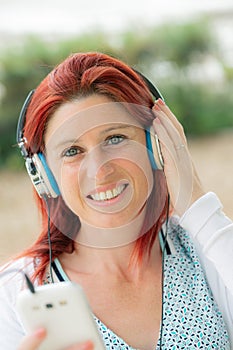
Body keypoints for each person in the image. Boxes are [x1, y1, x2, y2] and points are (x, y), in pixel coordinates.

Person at [0, 51, 232, 350]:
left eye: (115, 138)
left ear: (157, 145)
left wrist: (194, 200)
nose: (99, 171)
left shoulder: (207, 247)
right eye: (72, 151)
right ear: (43, 174)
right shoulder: (17, 289)